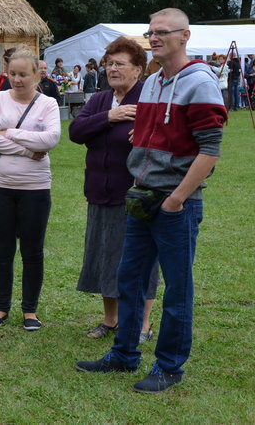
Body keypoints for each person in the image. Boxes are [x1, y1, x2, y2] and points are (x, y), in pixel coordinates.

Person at [76, 8, 227, 393]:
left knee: (177, 289)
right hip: (141, 198)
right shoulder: (156, 82)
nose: (154, 37)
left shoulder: (200, 82)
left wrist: (177, 199)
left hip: (174, 203)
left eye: (162, 32)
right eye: (151, 32)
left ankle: (169, 367)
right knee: (129, 279)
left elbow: (209, 152)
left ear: (185, 35)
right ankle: (124, 355)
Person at [69, 37, 159, 342]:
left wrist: (147, 133)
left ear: (138, 70)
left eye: (120, 64)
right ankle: (111, 319)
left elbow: (163, 138)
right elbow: (76, 132)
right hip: (99, 192)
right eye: (109, 63)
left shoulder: (148, 100)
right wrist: (110, 116)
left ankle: (144, 324)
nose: (112, 69)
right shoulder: (99, 101)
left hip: (135, 196)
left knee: (140, 258)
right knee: (103, 255)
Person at [0, 46, 60, 331]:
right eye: (12, 74)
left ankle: (30, 311)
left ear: (37, 74)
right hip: (0, 187)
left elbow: (50, 139)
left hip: (36, 189)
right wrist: (28, 149)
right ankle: (1, 307)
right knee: (2, 251)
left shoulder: (47, 104)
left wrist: (11, 132)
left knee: (32, 251)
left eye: (23, 74)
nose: (16, 79)